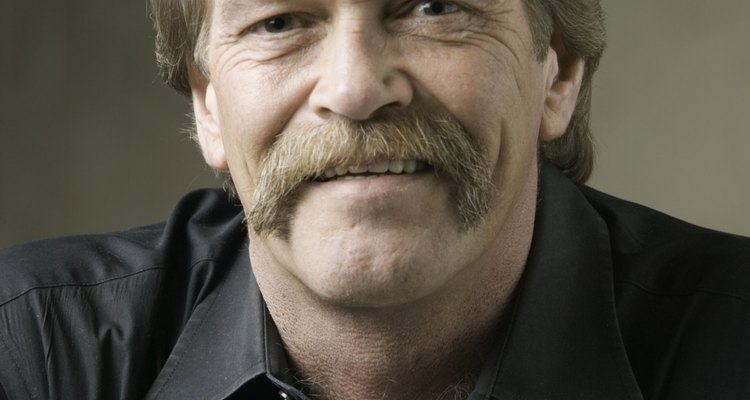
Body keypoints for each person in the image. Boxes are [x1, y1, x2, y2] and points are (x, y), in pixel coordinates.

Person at [1, 0, 748, 398]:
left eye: (432, 7)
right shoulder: (30, 353)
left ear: (555, 74)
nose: (355, 90)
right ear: (207, 106)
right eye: (281, 22)